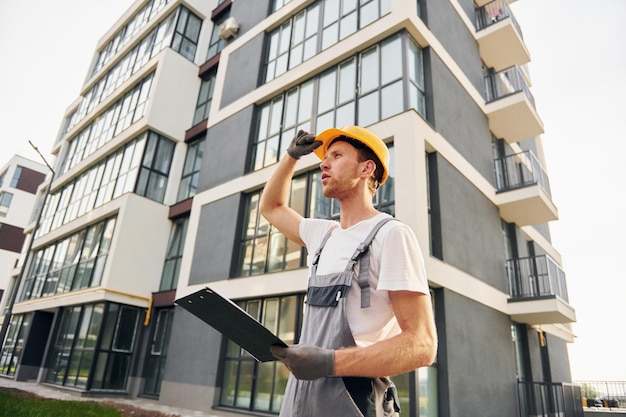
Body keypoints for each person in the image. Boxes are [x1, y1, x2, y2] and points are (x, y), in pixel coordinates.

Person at [260, 126, 437, 417]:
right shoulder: (323, 234)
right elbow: (271, 207)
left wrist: (330, 362)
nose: (323, 163)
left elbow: (422, 344)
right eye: (324, 157)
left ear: (367, 168)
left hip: (354, 402)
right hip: (300, 400)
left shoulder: (391, 235)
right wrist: (290, 157)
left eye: (337, 155)